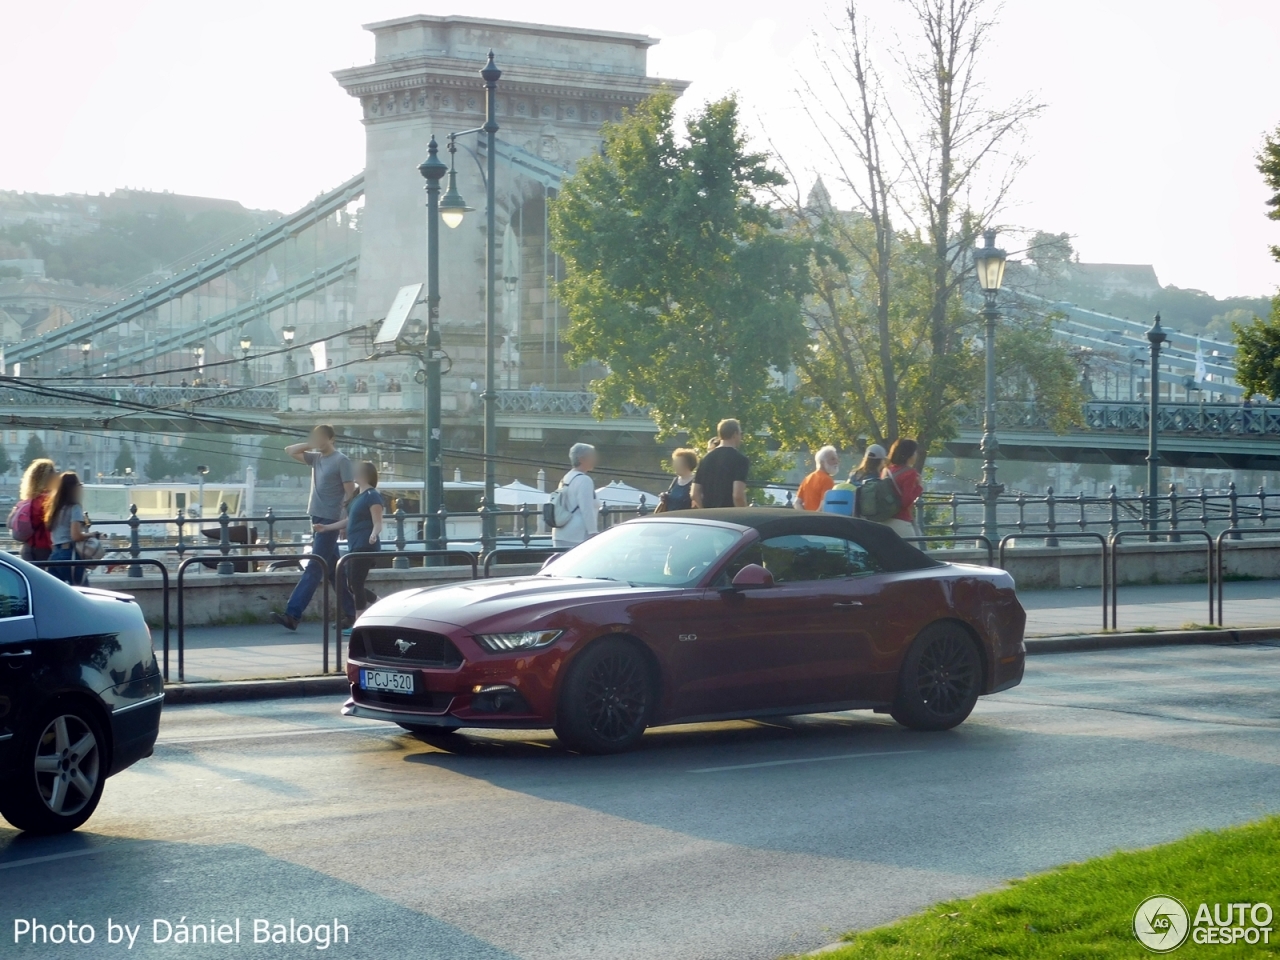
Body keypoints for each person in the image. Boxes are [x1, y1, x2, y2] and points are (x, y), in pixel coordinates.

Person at [273, 425, 356, 631]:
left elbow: (350, 492)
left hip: (329, 520)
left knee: (314, 567)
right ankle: (352, 613)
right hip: (316, 517)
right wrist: (312, 443)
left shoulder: (341, 460)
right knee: (334, 572)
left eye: (321, 438)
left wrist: (345, 520)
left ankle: (293, 614)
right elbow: (289, 451)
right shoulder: (316, 458)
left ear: (331, 439)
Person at [312, 461, 384, 633]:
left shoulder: (373, 496)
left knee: (356, 584)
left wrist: (374, 534)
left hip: (366, 546)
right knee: (353, 585)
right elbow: (349, 520)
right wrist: (326, 528)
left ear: (365, 475)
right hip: (355, 546)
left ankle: (358, 624)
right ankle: (380, 603)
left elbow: (378, 522)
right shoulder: (358, 496)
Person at [46, 472, 92, 585]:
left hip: (54, 555)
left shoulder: (55, 509)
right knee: (83, 591)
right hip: (68, 554)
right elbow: (75, 535)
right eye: (79, 486)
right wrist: (92, 535)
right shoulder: (74, 508)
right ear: (74, 489)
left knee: (58, 593)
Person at [692, 419, 749, 508]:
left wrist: (705, 511)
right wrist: (744, 514)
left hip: (710, 516)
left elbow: (694, 493)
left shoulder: (705, 459)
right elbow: (737, 495)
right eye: (740, 434)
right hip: (730, 514)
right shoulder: (740, 459)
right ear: (735, 434)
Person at [551, 443, 599, 549]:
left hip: (560, 532)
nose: (595, 459)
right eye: (592, 456)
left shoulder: (566, 478)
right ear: (582, 459)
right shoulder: (584, 480)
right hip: (578, 535)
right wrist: (593, 532)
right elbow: (587, 508)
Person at [16, 457, 58, 562]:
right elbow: (49, 528)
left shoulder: (29, 500)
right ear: (49, 479)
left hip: (27, 548)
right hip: (43, 550)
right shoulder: (47, 500)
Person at [880, 438, 923, 538]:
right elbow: (906, 501)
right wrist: (919, 487)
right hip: (901, 520)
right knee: (914, 552)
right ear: (910, 454)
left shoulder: (887, 470)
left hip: (883, 519)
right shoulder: (910, 473)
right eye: (915, 452)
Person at [795, 445, 840, 510]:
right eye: (832, 459)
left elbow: (797, 503)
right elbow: (824, 506)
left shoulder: (807, 479)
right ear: (822, 462)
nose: (836, 462)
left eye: (837, 458)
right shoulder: (827, 480)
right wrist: (814, 518)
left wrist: (806, 517)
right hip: (819, 519)